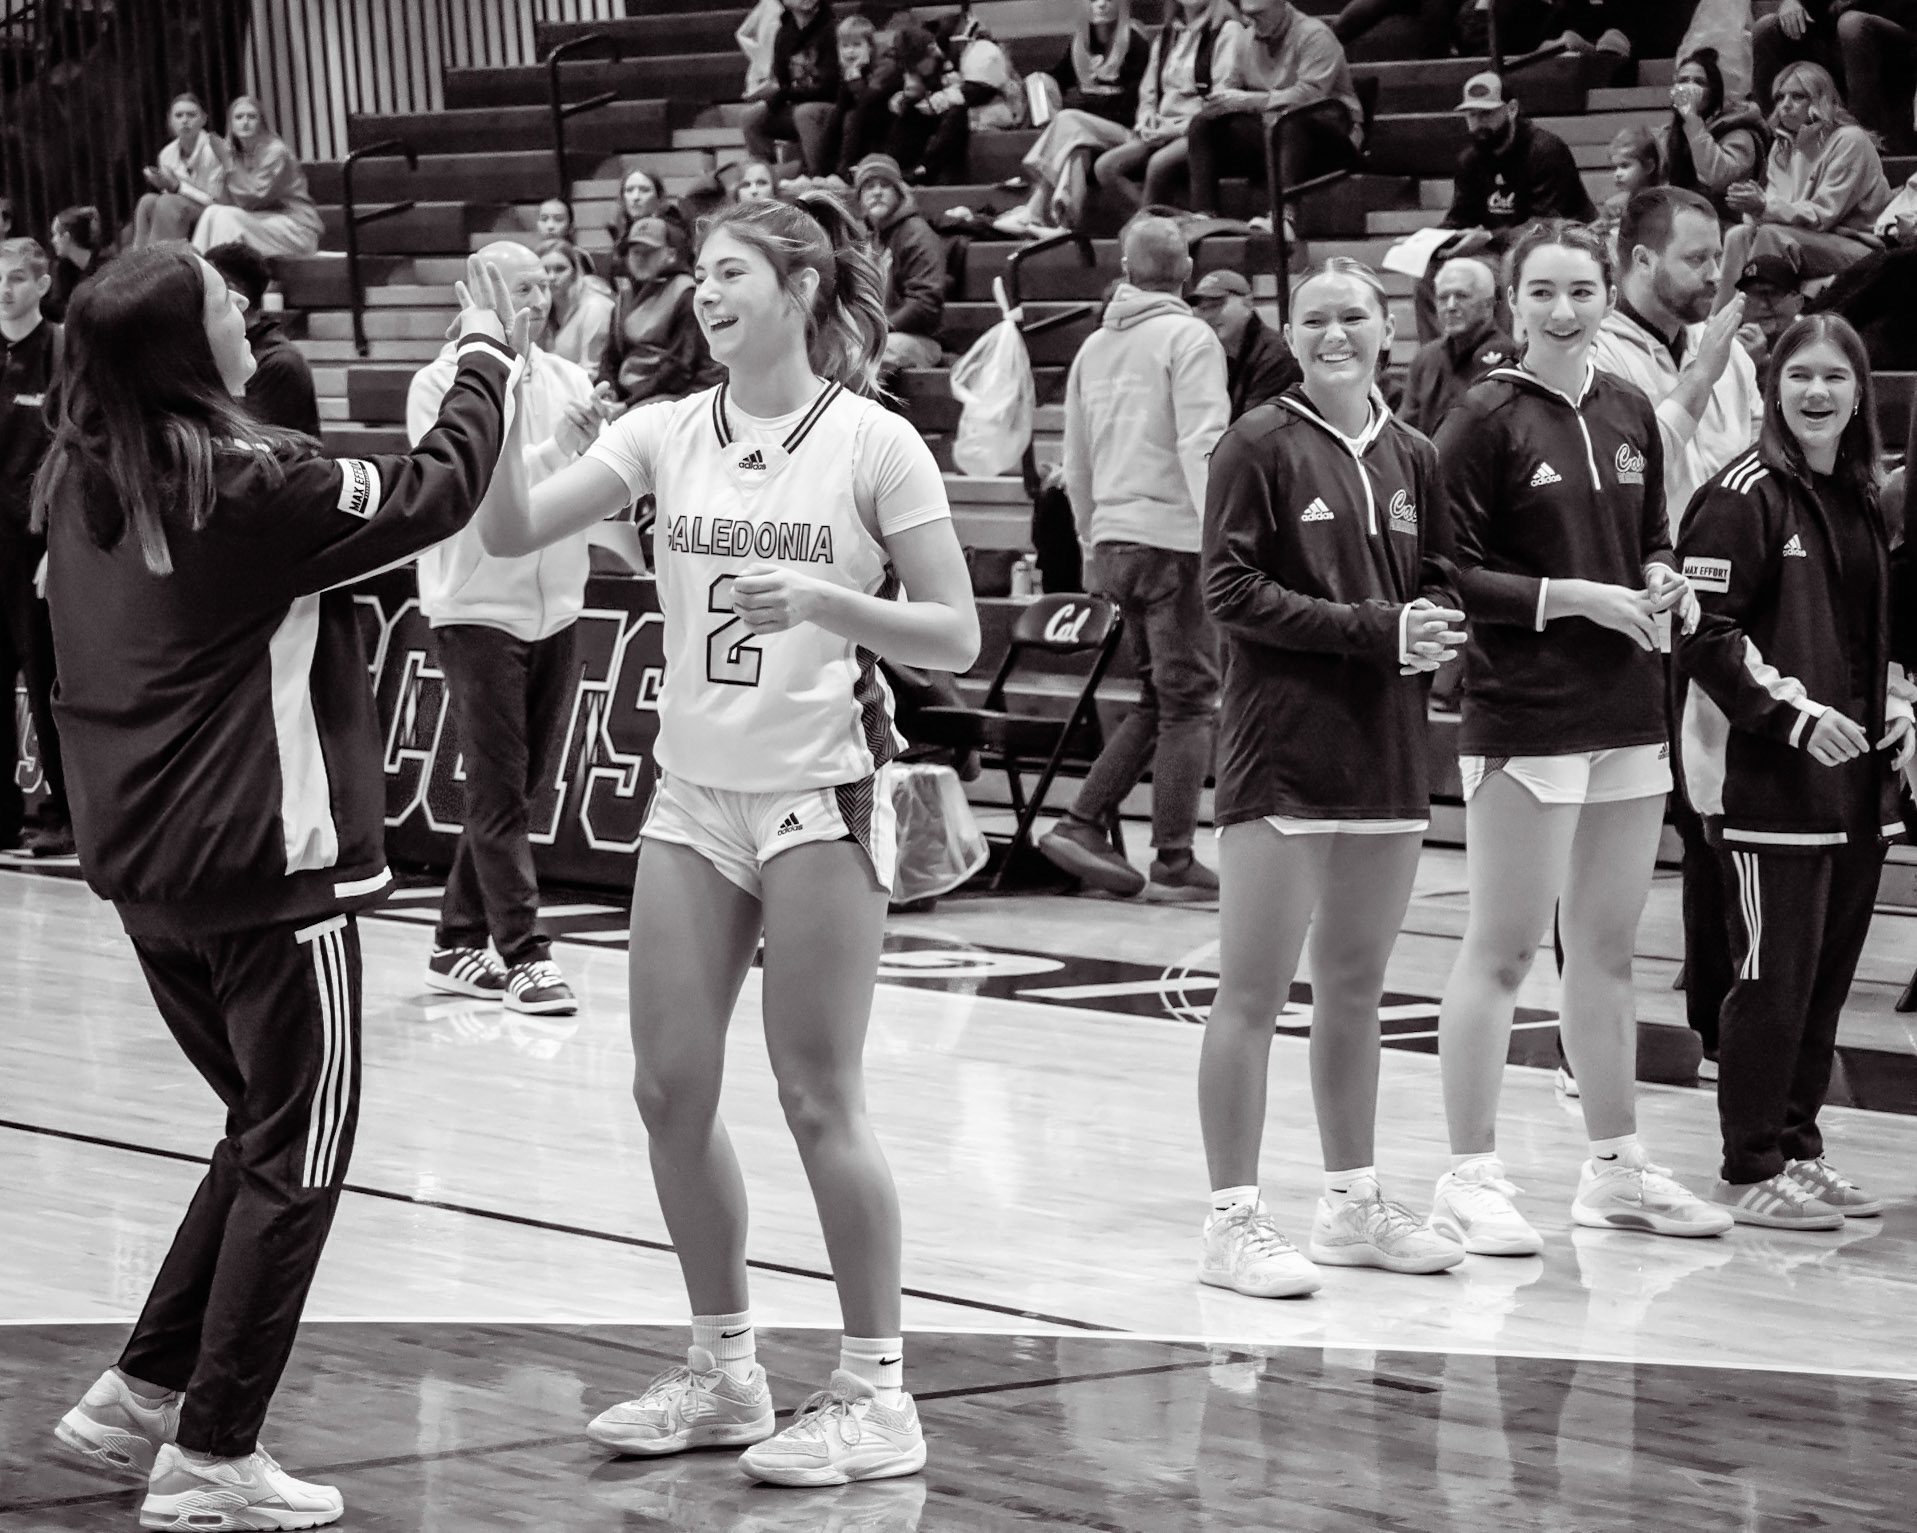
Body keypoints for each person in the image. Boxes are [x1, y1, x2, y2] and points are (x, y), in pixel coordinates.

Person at [469, 188, 979, 1487]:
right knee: (665, 1089)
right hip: (693, 795)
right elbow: (515, 526)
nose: (707, 291)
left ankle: (878, 1392)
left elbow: (958, 634)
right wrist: (503, 388)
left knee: (818, 1096)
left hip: (824, 790)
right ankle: (726, 1370)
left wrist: (825, 598)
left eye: (733, 270)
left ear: (800, 287)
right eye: (699, 273)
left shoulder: (874, 443)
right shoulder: (656, 430)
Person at [39, 243, 523, 1531]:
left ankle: (138, 1394)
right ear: (186, 352)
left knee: (261, 1132)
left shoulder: (87, 474)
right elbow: (435, 490)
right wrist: (485, 354)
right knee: (299, 1157)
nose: (245, 312)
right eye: (221, 306)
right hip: (262, 875)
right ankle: (214, 1455)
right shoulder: (245, 487)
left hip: (152, 880)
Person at [1429, 219, 1734, 1254]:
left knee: (1606, 954)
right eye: (1545, 292)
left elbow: (1650, 541)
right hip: (1525, 714)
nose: (1565, 310)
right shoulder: (1482, 419)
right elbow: (1452, 576)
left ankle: (1615, 1170)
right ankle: (1468, 1175)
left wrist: (1659, 585)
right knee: (1505, 950)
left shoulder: (1632, 411)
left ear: (1609, 296)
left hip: (1624, 713)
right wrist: (1577, 601)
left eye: (1582, 291)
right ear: (1517, 303)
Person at [1198, 258, 1469, 1298]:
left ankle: (1351, 1202)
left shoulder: (1413, 455)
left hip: (1389, 754)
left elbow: (1435, 574)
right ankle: (1231, 1220)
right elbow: (1227, 590)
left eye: (1353, 316)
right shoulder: (1256, 443)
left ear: (1387, 328)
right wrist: (1378, 629)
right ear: (1291, 333)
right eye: (1315, 318)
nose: (1335, 334)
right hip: (1283, 757)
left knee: (1355, 990)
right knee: (1253, 995)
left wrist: (1435, 620)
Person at [1676, 312, 1907, 1228]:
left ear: (1860, 394)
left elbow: (1858, 640)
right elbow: (1702, 630)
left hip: (1852, 785)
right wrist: (1794, 719)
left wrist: (1891, 711)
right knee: (1771, 978)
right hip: (1767, 784)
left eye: (1835, 379)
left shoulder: (1855, 491)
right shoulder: (1739, 493)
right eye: (1799, 376)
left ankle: (1797, 1144)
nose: (1816, 393)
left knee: (1822, 978)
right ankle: (1749, 1161)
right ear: (1772, 386)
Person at [1589, 188, 1764, 1074]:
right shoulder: (1599, 354)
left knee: (1716, 829)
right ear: (1639, 258)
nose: (1711, 276)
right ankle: (1593, 1046)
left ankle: (1717, 1029)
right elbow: (1646, 479)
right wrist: (1704, 369)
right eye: (1695, 259)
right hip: (1631, 620)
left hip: (1725, 614)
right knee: (1622, 841)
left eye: (1714, 259)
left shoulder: (1719, 348)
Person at [408, 241, 601, 1017]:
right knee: (497, 789)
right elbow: (474, 488)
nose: (539, 296)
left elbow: (581, 489)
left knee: (519, 787)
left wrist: (598, 451)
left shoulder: (570, 377)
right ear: (480, 292)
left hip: (558, 605)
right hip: (475, 606)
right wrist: (563, 448)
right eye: (520, 285)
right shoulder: (440, 382)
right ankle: (523, 952)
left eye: (544, 283)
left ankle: (456, 942)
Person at [1037, 215, 1230, 901]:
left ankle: (1082, 820)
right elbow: (1201, 442)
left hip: (1116, 538)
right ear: (1185, 271)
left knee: (1159, 696)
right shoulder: (1188, 336)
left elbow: (1076, 459)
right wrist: (1223, 536)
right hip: (1174, 539)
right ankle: (1172, 857)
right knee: (1190, 703)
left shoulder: (1093, 348)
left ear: (1122, 268)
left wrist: (1092, 541)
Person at [1415, 73, 1596, 341]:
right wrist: (1433, 242)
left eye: (1486, 114)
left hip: (1562, 242)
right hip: (1498, 248)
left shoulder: (1546, 150)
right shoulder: (1471, 160)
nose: (1478, 124)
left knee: (1515, 259)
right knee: (1427, 271)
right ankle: (1439, 360)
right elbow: (1459, 217)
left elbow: (1545, 225)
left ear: (1511, 109)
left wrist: (1487, 237)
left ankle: (1506, 356)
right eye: (1471, 116)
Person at [1715, 64, 1892, 313]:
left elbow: (1822, 216)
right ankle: (1718, 324)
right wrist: (1752, 208)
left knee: (1771, 236)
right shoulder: (1781, 147)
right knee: (1739, 235)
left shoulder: (1850, 140)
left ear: (1822, 100)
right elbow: (1776, 212)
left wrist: (1764, 206)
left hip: (1859, 248)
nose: (1785, 104)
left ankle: (1762, 323)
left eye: (1797, 96)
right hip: (1803, 239)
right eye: (1780, 97)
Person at [0, 238, 70, 858]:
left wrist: (61, 539)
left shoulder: (62, 350)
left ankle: (64, 813)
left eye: (18, 278)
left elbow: (77, 447)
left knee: (48, 679)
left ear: (43, 284)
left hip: (36, 546)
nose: (5, 289)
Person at [1186, 0, 1363, 219]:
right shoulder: (1245, 38)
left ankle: (1284, 216)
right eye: (1249, 15)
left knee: (1290, 121)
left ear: (1281, 5)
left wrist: (1249, 101)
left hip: (1329, 134)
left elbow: (1309, 96)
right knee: (1203, 123)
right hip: (1272, 132)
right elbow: (1231, 84)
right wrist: (1221, 100)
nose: (1253, 22)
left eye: (1260, 15)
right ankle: (1203, 213)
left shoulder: (1315, 35)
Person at [994, 0, 1150, 236]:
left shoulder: (1135, 42)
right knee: (1076, 150)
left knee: (1069, 120)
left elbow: (1132, 107)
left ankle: (1034, 209)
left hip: (1127, 132)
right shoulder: (1081, 42)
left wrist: (1086, 104)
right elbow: (1059, 77)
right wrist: (1039, 82)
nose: (1101, 4)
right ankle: (1065, 226)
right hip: (1086, 132)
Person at [1093, 0, 1245, 217]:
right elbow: (1149, 92)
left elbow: (1223, 97)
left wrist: (1175, 129)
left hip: (1200, 130)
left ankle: (1149, 233)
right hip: (1162, 128)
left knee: (1158, 163)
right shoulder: (1168, 34)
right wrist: (1146, 118)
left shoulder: (1227, 30)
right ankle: (1159, 225)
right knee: (1106, 167)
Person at [594, 217, 717, 417]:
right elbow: (611, 356)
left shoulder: (686, 293)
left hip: (674, 396)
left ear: (670, 254)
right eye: (635, 251)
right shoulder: (624, 295)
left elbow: (681, 367)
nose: (640, 258)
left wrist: (628, 405)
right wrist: (607, 389)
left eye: (649, 252)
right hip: (629, 396)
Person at [201, 240, 321, 437]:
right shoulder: (213, 352)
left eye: (205, 288)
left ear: (234, 294)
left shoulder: (278, 363)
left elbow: (254, 445)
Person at [1397, 256, 1515, 438]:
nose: (1450, 306)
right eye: (1443, 298)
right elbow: (1404, 431)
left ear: (1488, 304)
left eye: (1461, 296)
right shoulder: (1426, 358)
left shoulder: (1510, 357)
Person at [191, 96, 322, 258]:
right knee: (213, 212)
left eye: (251, 116)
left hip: (295, 229)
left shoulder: (275, 152)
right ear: (231, 124)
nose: (245, 122)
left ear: (262, 122)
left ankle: (217, 278)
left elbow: (253, 198)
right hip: (260, 223)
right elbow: (222, 202)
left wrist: (229, 165)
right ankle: (196, 273)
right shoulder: (234, 153)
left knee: (226, 218)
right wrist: (219, 168)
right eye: (239, 117)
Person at [852, 154, 945, 381]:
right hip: (876, 335)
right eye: (869, 187)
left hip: (917, 339)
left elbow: (925, 305)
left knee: (859, 359)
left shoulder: (916, 234)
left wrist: (876, 331)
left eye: (885, 185)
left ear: (899, 192)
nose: (877, 192)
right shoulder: (869, 240)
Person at [1660, 49, 1768, 229]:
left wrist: (1693, 120)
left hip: (1727, 226)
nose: (1689, 88)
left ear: (1714, 91)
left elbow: (1717, 177)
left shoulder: (1740, 132)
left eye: (1699, 82)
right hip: (1683, 222)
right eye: (1683, 80)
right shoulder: (1670, 134)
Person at [741, 0, 841, 178]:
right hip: (797, 105)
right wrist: (769, 97)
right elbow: (783, 81)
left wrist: (780, 94)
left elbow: (829, 87)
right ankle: (765, 177)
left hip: (831, 106)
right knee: (752, 117)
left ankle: (817, 177)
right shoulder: (784, 33)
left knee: (804, 113)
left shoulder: (832, 29)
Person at [1189, 268, 1300, 420]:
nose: (1208, 315)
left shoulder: (1277, 356)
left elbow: (1253, 428)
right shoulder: (1207, 354)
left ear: (1248, 303)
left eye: (1216, 304)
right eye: (1202, 308)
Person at [882, 21, 973, 185]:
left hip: (955, 122)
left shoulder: (950, 57)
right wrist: (900, 98)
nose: (911, 70)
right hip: (926, 118)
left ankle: (924, 168)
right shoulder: (909, 70)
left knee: (956, 113)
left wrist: (940, 97)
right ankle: (894, 167)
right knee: (908, 109)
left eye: (914, 65)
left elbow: (967, 93)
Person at [134, 93, 228, 248]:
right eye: (178, 115)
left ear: (204, 119)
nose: (185, 120)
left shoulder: (215, 149)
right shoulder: (166, 154)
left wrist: (178, 187)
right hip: (180, 210)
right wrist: (162, 183)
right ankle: (138, 260)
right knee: (148, 201)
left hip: (213, 212)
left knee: (169, 202)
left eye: (191, 115)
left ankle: (162, 261)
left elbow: (215, 200)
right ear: (170, 121)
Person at [824, 14, 893, 182]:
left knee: (851, 117)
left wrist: (855, 79)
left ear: (870, 47)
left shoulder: (885, 65)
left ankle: (844, 173)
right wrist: (848, 75)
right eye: (845, 46)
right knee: (835, 116)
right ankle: (822, 172)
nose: (850, 51)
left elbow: (868, 103)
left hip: (886, 116)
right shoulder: (851, 67)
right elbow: (842, 104)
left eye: (856, 45)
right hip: (863, 115)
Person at [538, 236, 615, 372]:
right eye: (545, 270)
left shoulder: (595, 307)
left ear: (575, 271)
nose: (551, 277)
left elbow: (590, 371)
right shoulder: (540, 307)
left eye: (560, 269)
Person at [46, 206, 108, 324]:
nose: (53, 240)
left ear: (67, 236)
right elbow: (59, 308)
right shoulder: (62, 269)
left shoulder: (105, 266)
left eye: (55, 234)